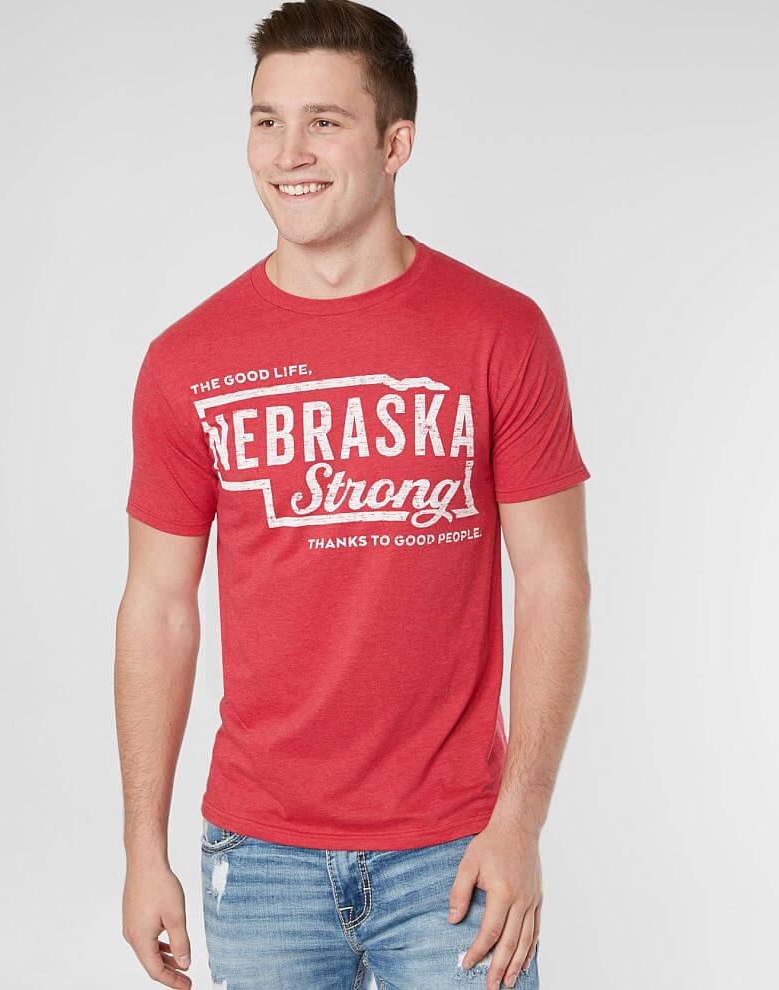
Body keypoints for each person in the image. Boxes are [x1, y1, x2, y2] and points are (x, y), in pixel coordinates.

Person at [115, 1, 591, 987]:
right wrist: (140, 849)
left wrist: (520, 822)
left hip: (454, 850)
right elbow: (157, 606)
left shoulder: (499, 333)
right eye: (266, 120)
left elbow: (553, 581)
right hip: (257, 857)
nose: (287, 152)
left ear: (394, 143)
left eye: (324, 122)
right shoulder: (186, 360)